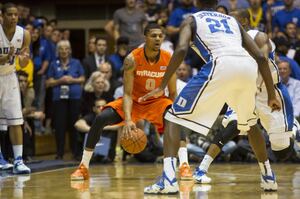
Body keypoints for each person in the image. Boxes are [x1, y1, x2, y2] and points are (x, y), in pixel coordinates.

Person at [141, 0, 281, 194]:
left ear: (197, 2)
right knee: (249, 123)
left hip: (220, 65)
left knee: (172, 118)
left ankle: (169, 180)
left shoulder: (192, 19)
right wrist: (271, 94)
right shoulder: (232, 21)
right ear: (216, 3)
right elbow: (259, 56)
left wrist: (162, 85)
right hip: (247, 68)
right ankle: (268, 176)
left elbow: (181, 50)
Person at [195, 8, 299, 187]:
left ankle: (293, 129)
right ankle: (202, 169)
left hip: (268, 91)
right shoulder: (227, 42)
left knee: (282, 152)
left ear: (242, 22)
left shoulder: (258, 36)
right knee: (234, 125)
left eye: (231, 19)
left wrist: (271, 95)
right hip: (244, 90)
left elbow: (262, 62)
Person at [70, 23, 177, 181]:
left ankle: (182, 166)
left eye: (160, 36)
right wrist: (127, 119)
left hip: (156, 101)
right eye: (154, 35)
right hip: (134, 100)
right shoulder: (132, 58)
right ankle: (83, 167)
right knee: (101, 118)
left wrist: (175, 115)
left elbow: (173, 92)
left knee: (176, 121)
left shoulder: (169, 58)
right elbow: (127, 93)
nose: (158, 39)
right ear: (145, 37)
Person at [0, 3, 31, 174]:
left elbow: (24, 62)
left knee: (16, 120)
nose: (13, 17)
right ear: (2, 15)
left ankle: (18, 160)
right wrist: (5, 57)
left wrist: (24, 59)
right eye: (10, 14)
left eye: (16, 15)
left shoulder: (24, 34)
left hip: (10, 78)